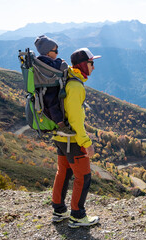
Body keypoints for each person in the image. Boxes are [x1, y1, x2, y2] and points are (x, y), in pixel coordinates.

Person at [51, 47, 101, 228]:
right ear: (82, 64)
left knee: (63, 172)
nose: (93, 67)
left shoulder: (66, 81)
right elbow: (76, 119)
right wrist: (86, 143)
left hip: (60, 137)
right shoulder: (75, 86)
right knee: (84, 177)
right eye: (91, 63)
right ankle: (77, 216)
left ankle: (58, 210)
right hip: (72, 139)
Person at [34, 35, 75, 136]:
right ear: (47, 52)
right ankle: (61, 126)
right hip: (48, 88)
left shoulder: (41, 60)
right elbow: (54, 67)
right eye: (55, 51)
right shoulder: (44, 60)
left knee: (54, 104)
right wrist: (60, 61)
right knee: (53, 105)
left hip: (46, 87)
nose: (57, 53)